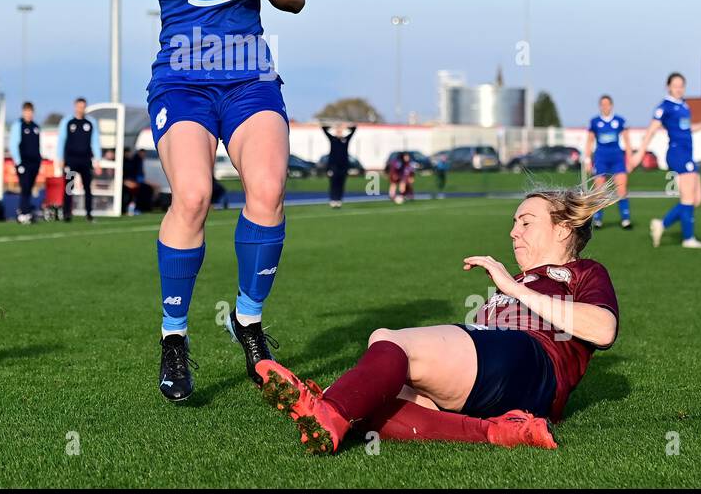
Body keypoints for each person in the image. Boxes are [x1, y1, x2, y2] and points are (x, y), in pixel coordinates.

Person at [57, 0, 305, 402]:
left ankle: (247, 320)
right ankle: (174, 337)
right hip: (183, 84)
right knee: (192, 197)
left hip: (250, 81)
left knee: (267, 191)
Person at [256, 182, 620, 454]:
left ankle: (329, 413)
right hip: (497, 379)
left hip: (533, 364)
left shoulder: (581, 271)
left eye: (526, 222)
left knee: (387, 340)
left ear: (562, 229)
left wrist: (517, 290)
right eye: (513, 223)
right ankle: (500, 431)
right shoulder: (510, 286)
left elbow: (603, 329)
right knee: (368, 399)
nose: (513, 232)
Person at [631, 73, 701, 249]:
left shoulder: (684, 105)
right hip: (677, 154)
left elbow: (687, 129)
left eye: (681, 85)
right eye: (675, 85)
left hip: (687, 154)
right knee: (688, 198)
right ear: (668, 86)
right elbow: (652, 129)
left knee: (696, 199)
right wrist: (640, 152)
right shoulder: (665, 106)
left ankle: (662, 224)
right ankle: (688, 238)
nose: (679, 88)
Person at [585, 94, 633, 230]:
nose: (605, 106)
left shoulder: (619, 121)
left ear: (611, 105)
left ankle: (625, 219)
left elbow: (627, 141)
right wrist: (588, 159)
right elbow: (589, 141)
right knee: (600, 190)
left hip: (617, 158)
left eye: (607, 104)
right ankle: (598, 219)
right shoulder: (595, 122)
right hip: (601, 158)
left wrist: (629, 159)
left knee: (622, 188)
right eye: (602, 104)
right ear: (600, 106)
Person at [61, 97, 100, 222]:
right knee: (68, 187)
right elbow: (62, 141)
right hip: (71, 161)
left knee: (87, 188)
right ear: (75, 107)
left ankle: (89, 213)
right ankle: (67, 213)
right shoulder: (68, 122)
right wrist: (60, 158)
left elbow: (95, 142)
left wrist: (97, 160)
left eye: (83, 107)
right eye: (79, 106)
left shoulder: (90, 123)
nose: (81, 109)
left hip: (85, 161)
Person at [8, 104, 42, 224]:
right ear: (23, 112)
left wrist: (39, 161)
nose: (29, 114)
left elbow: (37, 146)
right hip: (23, 163)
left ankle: (26, 210)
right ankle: (23, 212)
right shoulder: (18, 125)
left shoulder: (36, 127)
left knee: (30, 188)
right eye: (26, 112)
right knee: (25, 187)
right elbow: (13, 145)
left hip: (34, 163)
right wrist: (18, 162)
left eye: (30, 112)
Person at [321, 121, 356, 208]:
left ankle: (339, 200)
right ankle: (333, 200)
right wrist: (333, 126)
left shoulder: (346, 140)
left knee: (341, 184)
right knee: (333, 184)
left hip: (344, 166)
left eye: (340, 131)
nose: (339, 132)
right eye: (338, 130)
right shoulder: (332, 139)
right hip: (333, 166)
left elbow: (354, 129)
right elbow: (324, 129)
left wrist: (346, 126)